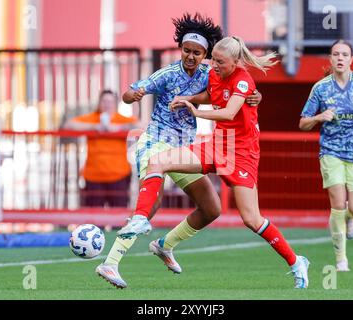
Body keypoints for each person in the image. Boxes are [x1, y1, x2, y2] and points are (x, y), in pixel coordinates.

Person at [116, 36, 310, 289]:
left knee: (252, 219)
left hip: (241, 153)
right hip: (218, 143)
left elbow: (229, 111)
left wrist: (195, 111)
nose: (214, 66)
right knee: (157, 161)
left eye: (220, 62)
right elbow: (212, 94)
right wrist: (192, 99)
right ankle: (141, 218)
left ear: (236, 62)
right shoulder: (215, 73)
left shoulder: (243, 79)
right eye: (213, 60)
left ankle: (297, 262)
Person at [95, 13, 262, 289]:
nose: (191, 56)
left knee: (211, 207)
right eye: (187, 51)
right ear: (180, 49)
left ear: (206, 54)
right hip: (156, 142)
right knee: (152, 205)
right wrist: (131, 95)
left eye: (197, 52)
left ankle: (165, 245)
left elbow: (236, 91)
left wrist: (257, 96)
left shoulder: (213, 74)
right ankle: (110, 263)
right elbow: (131, 92)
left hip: (184, 147)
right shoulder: (168, 74)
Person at [299, 40, 353, 271]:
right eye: (336, 54)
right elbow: (303, 122)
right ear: (330, 58)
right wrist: (318, 118)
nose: (340, 58)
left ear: (351, 59)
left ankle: (351, 216)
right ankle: (341, 260)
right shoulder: (320, 88)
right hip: (331, 152)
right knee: (336, 202)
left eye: (345, 54)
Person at [64, 90, 137, 207]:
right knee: (94, 218)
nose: (107, 104)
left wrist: (118, 128)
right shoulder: (92, 118)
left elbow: (141, 125)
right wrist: (94, 127)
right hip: (94, 177)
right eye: (104, 101)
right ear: (99, 103)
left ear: (115, 104)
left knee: (118, 217)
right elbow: (68, 125)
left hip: (119, 176)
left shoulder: (121, 119)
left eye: (110, 101)